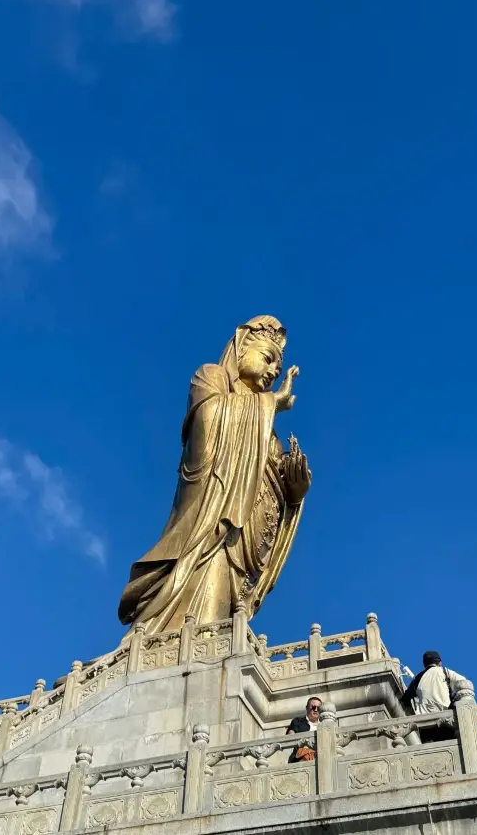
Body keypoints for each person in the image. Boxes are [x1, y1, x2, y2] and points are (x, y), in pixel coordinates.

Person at [118, 316, 312, 634]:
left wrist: (295, 493)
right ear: (240, 347)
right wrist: (270, 405)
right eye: (267, 358)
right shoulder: (211, 378)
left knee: (225, 622)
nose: (273, 373)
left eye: (277, 371)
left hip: (247, 549)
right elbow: (205, 428)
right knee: (201, 627)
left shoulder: (266, 426)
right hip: (214, 527)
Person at [400, 651, 468, 743]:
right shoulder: (445, 672)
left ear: (424, 664)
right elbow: (464, 683)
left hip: (425, 724)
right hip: (446, 720)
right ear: (440, 662)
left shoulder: (417, 679)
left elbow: (405, 699)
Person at [285, 696, 322, 762]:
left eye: (318, 708)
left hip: (320, 756)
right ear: (307, 708)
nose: (316, 710)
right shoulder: (298, 721)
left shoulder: (323, 725)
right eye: (313, 707)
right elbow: (290, 737)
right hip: (302, 756)